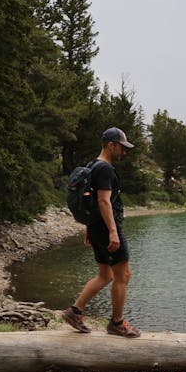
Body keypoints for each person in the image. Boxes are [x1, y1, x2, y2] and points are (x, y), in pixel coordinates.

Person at [61, 127, 141, 338]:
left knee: (105, 275)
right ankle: (116, 323)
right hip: (107, 228)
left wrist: (90, 228)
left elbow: (91, 202)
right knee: (123, 275)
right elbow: (103, 201)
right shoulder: (105, 169)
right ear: (110, 145)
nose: (124, 152)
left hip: (97, 228)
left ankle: (74, 311)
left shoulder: (92, 166)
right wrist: (113, 232)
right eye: (121, 147)